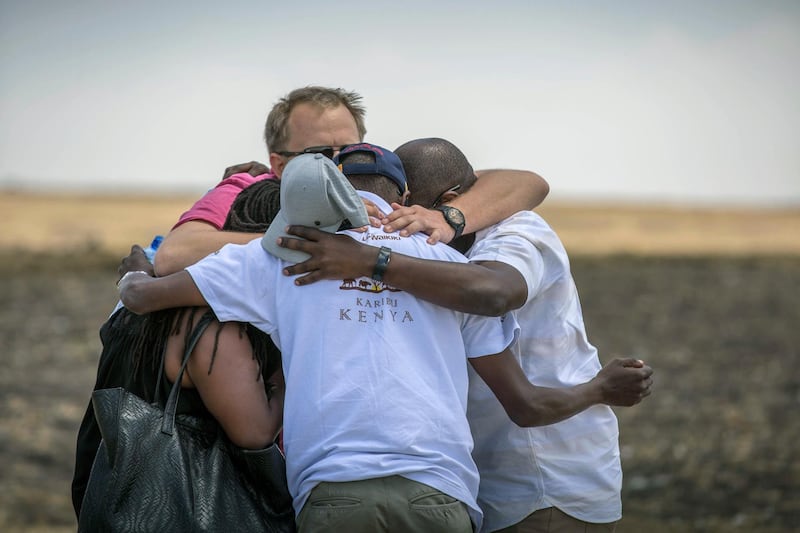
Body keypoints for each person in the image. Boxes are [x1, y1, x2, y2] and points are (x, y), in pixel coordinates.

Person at [117, 145, 652, 533]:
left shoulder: (282, 255)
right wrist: (600, 389)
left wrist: (139, 265)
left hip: (335, 492)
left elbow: (144, 296)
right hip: (443, 493)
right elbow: (525, 402)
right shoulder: (449, 267)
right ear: (400, 197)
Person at [276, 138, 653, 532]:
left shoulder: (517, 233)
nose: (401, 226)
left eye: (412, 214)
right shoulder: (435, 255)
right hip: (471, 486)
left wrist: (374, 261)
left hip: (547, 482)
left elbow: (494, 292)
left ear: (452, 200)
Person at [153, 85, 551, 276]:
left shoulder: (379, 177)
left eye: (347, 149)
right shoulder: (245, 189)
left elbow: (526, 182)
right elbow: (175, 253)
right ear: (277, 165)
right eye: (318, 156)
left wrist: (450, 218)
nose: (337, 165)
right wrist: (308, 242)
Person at [71, 179, 286, 519]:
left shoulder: (141, 297)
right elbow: (255, 432)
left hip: (104, 496)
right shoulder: (211, 325)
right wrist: (292, 363)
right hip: (172, 512)